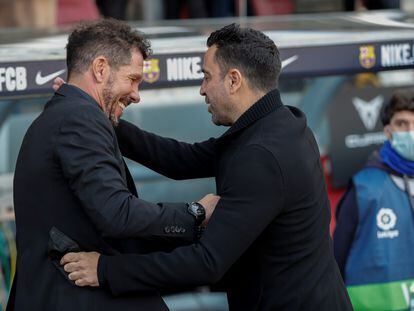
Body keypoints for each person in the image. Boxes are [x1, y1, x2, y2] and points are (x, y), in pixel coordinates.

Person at [61, 23, 353, 310]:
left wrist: (105, 270)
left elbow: (207, 263)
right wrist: (101, 113)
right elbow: (180, 159)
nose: (202, 89)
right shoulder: (281, 123)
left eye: (206, 77)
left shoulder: (261, 155)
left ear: (234, 80)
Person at [7, 19, 218, 311]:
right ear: (100, 68)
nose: (136, 94)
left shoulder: (71, 115)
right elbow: (117, 213)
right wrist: (194, 214)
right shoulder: (77, 119)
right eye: (132, 79)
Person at [334, 89, 414, 310]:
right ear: (388, 132)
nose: (411, 131)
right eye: (402, 124)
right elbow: (335, 261)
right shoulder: (364, 188)